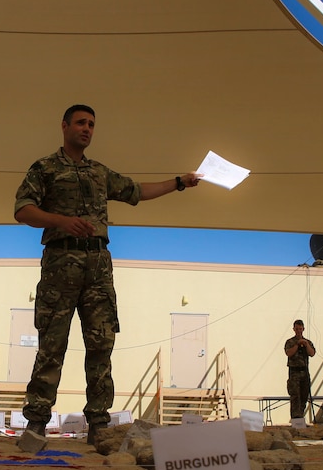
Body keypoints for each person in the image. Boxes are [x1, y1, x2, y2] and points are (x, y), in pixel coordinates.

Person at [14, 104, 202, 446]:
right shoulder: (45, 168)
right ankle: (37, 422)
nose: (87, 129)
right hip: (60, 264)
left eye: (92, 125)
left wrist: (179, 182)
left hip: (98, 266)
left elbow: (137, 192)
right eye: (81, 123)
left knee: (101, 344)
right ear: (65, 126)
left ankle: (98, 423)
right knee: (51, 345)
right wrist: (60, 220)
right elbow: (22, 209)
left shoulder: (100, 173)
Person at [284, 319, 317, 421]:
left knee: (303, 396)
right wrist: (297, 345)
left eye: (300, 329)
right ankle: (295, 419)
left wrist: (305, 345)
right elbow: (289, 353)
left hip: (304, 372)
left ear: (303, 329)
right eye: (297, 329)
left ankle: (301, 417)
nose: (299, 331)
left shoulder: (307, 342)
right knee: (295, 397)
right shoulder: (290, 342)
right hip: (294, 372)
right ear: (294, 329)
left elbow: (312, 353)